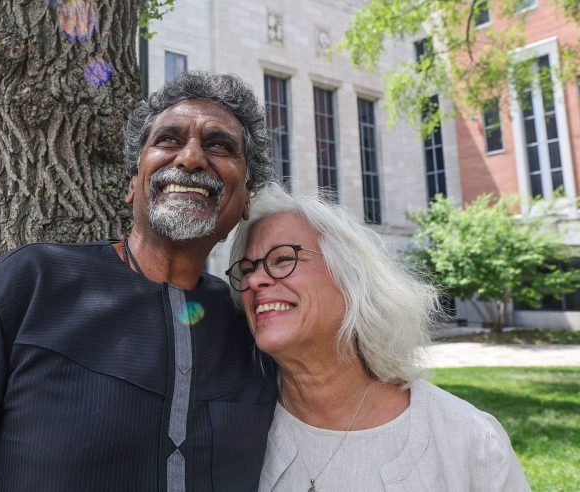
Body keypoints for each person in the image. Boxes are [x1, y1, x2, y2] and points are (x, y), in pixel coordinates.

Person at [0, 71, 277, 492]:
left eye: (219, 145)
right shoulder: (26, 286)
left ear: (245, 202)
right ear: (133, 185)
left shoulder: (254, 327)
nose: (190, 158)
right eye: (168, 140)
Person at [226, 183, 530, 491]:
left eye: (282, 259)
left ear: (352, 278)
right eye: (248, 269)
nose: (254, 279)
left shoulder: (471, 442)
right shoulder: (229, 432)